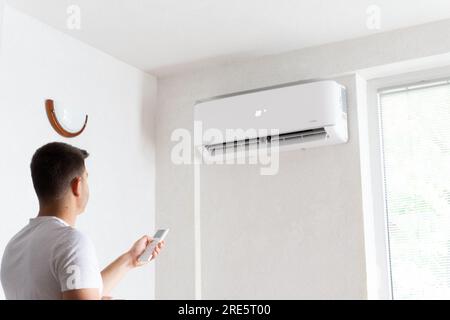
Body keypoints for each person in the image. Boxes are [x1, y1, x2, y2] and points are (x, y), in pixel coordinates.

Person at [0, 142, 164, 299]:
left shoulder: (14, 246)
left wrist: (130, 259)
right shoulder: (71, 242)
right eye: (86, 177)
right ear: (77, 185)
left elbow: (79, 289)